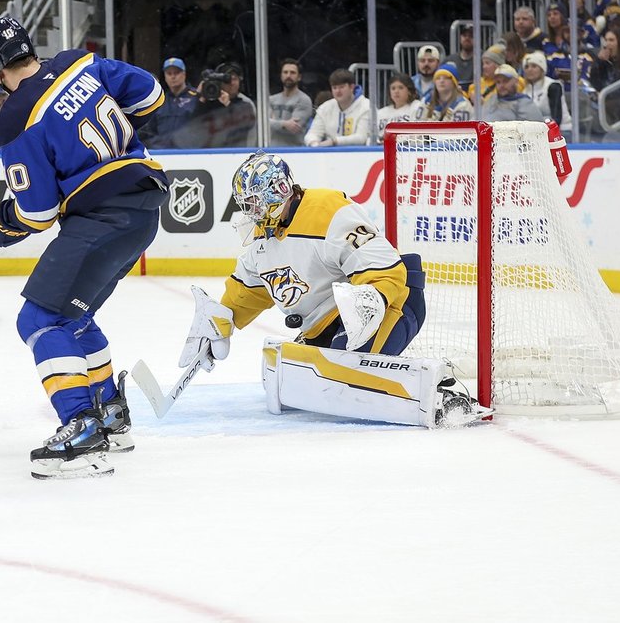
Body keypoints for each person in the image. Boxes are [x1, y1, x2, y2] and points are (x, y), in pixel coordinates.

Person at [0, 16, 169, 479]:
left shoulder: (14, 117)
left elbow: (39, 212)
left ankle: (82, 430)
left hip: (104, 216)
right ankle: (110, 415)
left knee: (39, 319)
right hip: (143, 207)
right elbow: (151, 95)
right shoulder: (78, 62)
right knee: (74, 316)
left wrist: (8, 221)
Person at [181, 150, 486, 428]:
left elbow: (383, 268)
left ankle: (440, 395)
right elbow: (248, 290)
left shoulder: (327, 210)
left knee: (342, 377)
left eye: (254, 202)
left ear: (279, 189)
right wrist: (221, 320)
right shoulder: (264, 235)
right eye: (247, 205)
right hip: (329, 321)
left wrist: (369, 303)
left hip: (391, 303)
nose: (251, 211)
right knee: (291, 376)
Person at [187, 61, 257, 148]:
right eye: (227, 80)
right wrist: (201, 96)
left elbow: (247, 124)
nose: (231, 83)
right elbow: (192, 126)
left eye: (234, 79)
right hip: (209, 153)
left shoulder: (245, 105)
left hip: (235, 153)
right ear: (220, 82)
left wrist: (228, 104)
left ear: (240, 81)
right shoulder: (209, 105)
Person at [138, 56, 197, 149]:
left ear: (184, 74)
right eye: (169, 73)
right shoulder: (160, 101)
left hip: (192, 152)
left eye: (176, 73)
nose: (173, 77)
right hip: (164, 153)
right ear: (165, 77)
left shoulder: (196, 97)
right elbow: (150, 131)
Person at [304, 68, 370, 147]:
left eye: (342, 87)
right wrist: (314, 143)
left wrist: (334, 141)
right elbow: (312, 133)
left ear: (352, 87)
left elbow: (361, 137)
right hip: (329, 153)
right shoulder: (325, 108)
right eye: (334, 88)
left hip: (359, 153)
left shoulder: (367, 106)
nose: (338, 91)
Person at [268, 58, 313, 147]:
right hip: (272, 151)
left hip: (294, 152)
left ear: (299, 77)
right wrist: (284, 124)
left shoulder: (304, 100)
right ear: (281, 76)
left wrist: (273, 122)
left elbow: (293, 128)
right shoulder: (271, 99)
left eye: (292, 73)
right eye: (285, 72)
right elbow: (262, 124)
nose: (288, 75)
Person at [522, 51, 570, 131]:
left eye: (534, 66)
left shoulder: (553, 86)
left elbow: (557, 119)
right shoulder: (525, 91)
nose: (529, 70)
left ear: (542, 69)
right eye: (526, 67)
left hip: (561, 131)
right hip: (537, 132)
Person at [375, 72, 422, 142]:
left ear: (409, 91)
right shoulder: (381, 112)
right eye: (393, 88)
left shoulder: (416, 106)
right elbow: (371, 137)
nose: (396, 91)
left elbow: (417, 134)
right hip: (381, 147)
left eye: (401, 88)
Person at [442, 24, 475, 89]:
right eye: (464, 35)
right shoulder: (449, 60)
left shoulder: (483, 60)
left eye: (471, 36)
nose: (467, 38)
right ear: (460, 38)